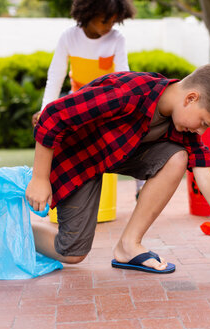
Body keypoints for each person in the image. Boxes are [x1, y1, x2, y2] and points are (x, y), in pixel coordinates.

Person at [25, 59, 210, 273]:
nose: (200, 131)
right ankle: (19, 230)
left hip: (115, 153)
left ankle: (128, 246)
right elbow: (52, 116)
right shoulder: (128, 92)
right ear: (191, 98)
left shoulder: (181, 123)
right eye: (204, 123)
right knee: (72, 253)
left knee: (178, 157)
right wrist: (39, 178)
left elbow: (206, 173)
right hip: (77, 160)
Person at [31, 0, 146, 197]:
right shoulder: (69, 37)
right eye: (104, 21)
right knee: (52, 129)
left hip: (107, 102)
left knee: (135, 130)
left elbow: (123, 78)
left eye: (113, 21)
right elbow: (56, 75)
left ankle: (141, 187)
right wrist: (45, 110)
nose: (109, 26)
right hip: (78, 101)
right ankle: (54, 186)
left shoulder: (116, 39)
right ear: (88, 14)